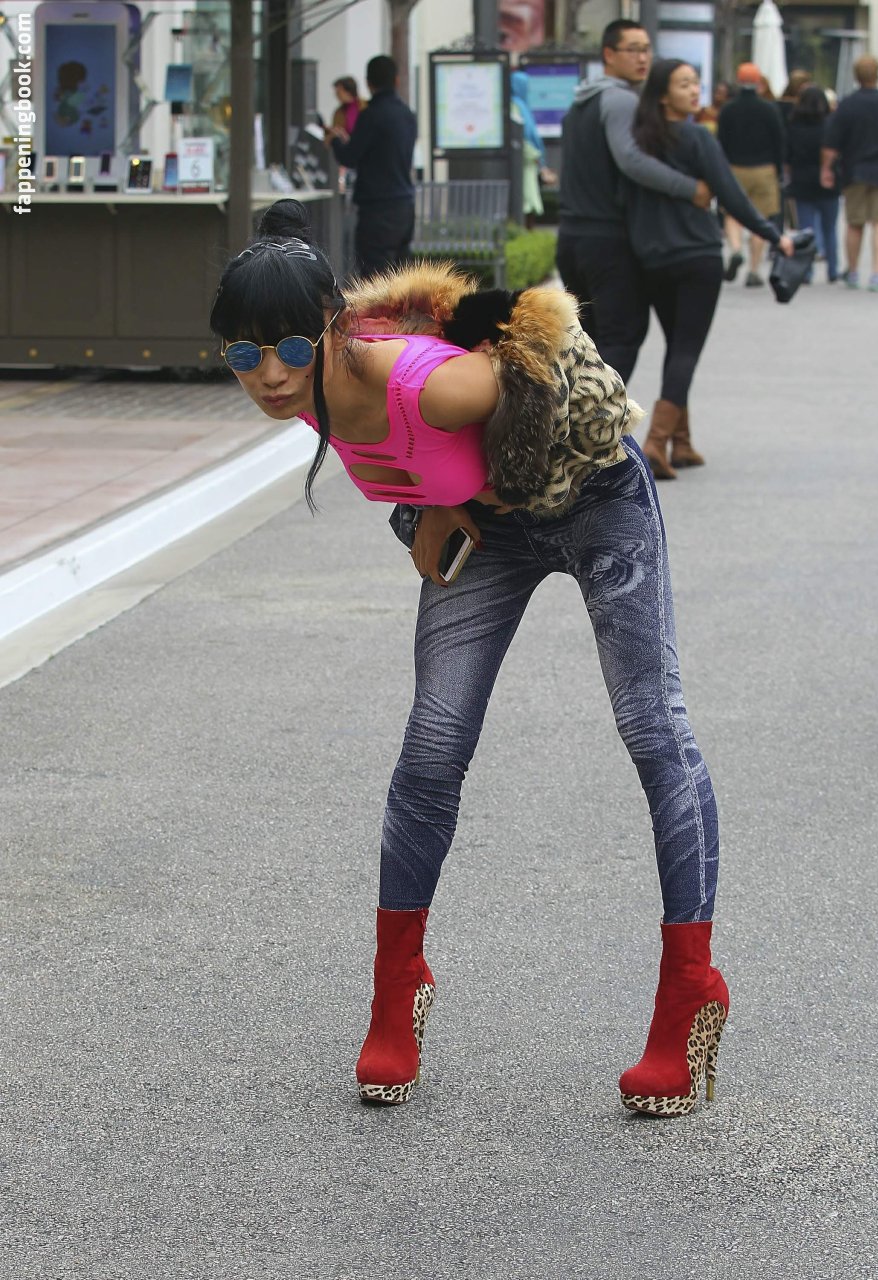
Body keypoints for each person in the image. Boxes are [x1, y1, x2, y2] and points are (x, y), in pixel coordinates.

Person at [211, 197, 731, 1118]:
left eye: (289, 348)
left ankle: (689, 992)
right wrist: (426, 507)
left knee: (652, 729)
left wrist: (495, 476)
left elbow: (555, 370)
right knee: (431, 747)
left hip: (593, 500)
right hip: (491, 534)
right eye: (244, 355)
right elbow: (409, 463)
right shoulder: (299, 390)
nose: (271, 374)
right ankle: (395, 993)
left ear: (331, 329)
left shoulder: (433, 385)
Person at [627, 60, 794, 479]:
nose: (694, 90)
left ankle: (681, 443)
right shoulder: (698, 136)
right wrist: (773, 234)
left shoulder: (638, 142)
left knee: (676, 346)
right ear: (662, 95)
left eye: (696, 83)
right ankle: (656, 443)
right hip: (697, 256)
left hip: (653, 258)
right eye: (684, 84)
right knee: (686, 349)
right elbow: (730, 194)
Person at [556, 19, 715, 383]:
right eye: (633, 50)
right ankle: (598, 415)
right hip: (607, 240)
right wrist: (691, 188)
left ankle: (573, 413)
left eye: (646, 50)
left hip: (572, 239)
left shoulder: (580, 102)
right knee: (622, 335)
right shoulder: (621, 100)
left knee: (588, 342)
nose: (643, 58)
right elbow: (632, 159)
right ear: (609, 54)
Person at [821, 54, 878, 292]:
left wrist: (826, 168)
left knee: (854, 223)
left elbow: (831, 143)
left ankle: (853, 271)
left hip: (854, 170)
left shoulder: (847, 105)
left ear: (856, 76)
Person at [327, 55, 416, 279]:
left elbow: (349, 157)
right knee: (402, 279)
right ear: (396, 80)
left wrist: (335, 140)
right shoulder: (408, 115)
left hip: (377, 210)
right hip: (405, 206)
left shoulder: (370, 116)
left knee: (375, 280)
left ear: (368, 83)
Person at [718, 62, 785, 287]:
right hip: (764, 169)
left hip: (735, 168)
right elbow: (779, 142)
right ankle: (754, 270)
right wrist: (779, 170)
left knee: (732, 213)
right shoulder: (769, 109)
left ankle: (736, 249)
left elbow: (721, 142)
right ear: (758, 82)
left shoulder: (728, 109)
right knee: (761, 218)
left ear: (738, 81)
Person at [786, 86, 839, 283]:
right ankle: (833, 269)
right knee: (830, 227)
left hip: (801, 179)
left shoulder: (793, 126)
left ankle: (806, 270)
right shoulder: (830, 126)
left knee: (806, 228)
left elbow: (787, 156)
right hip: (828, 180)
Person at [510, 70, 553, 228]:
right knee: (526, 200)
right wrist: (535, 155)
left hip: (530, 161)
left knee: (529, 199)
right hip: (525, 161)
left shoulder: (522, 105)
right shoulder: (515, 106)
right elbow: (522, 134)